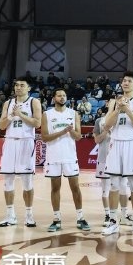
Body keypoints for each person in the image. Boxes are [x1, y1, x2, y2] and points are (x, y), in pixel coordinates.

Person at [102, 72, 133, 236]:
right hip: (115, 143)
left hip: (132, 143)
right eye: (124, 80)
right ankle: (113, 221)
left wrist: (128, 110)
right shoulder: (114, 101)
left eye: (130, 81)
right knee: (114, 184)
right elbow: (107, 125)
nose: (126, 83)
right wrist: (117, 109)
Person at [41, 89, 90, 232]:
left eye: (64, 95)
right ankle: (56, 219)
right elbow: (44, 137)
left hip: (69, 156)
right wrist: (63, 131)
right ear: (54, 98)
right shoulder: (47, 114)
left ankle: (80, 218)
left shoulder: (73, 113)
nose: (62, 97)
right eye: (59, 95)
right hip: (53, 156)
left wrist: (70, 131)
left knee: (75, 188)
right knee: (55, 188)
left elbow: (78, 137)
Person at [0, 77, 43, 228]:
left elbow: (37, 123)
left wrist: (20, 114)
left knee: (27, 181)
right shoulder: (8, 103)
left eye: (22, 85)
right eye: (16, 85)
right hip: (10, 141)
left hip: (26, 141)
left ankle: (29, 215)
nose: (18, 87)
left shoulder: (34, 102)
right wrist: (11, 115)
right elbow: (1, 125)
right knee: (7, 180)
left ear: (29, 88)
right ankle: (10, 216)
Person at [93, 107, 114, 227]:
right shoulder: (99, 121)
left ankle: (121, 213)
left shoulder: (120, 119)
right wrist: (105, 131)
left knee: (119, 188)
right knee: (105, 189)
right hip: (103, 159)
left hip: (117, 159)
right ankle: (107, 214)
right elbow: (97, 140)